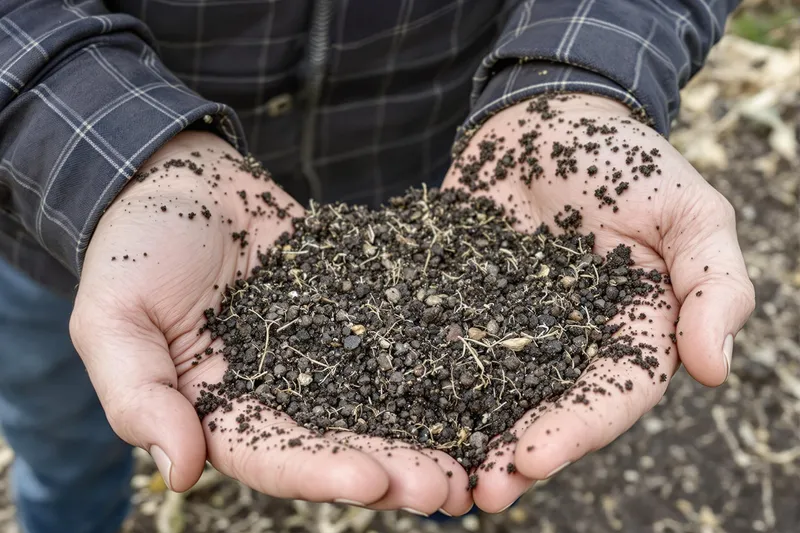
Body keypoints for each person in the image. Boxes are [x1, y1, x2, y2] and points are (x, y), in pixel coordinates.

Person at [0, 1, 755, 531]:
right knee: (62, 432)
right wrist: (99, 147)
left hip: (451, 161)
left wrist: (579, 71)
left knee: (458, 457)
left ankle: (446, 501)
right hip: (82, 211)